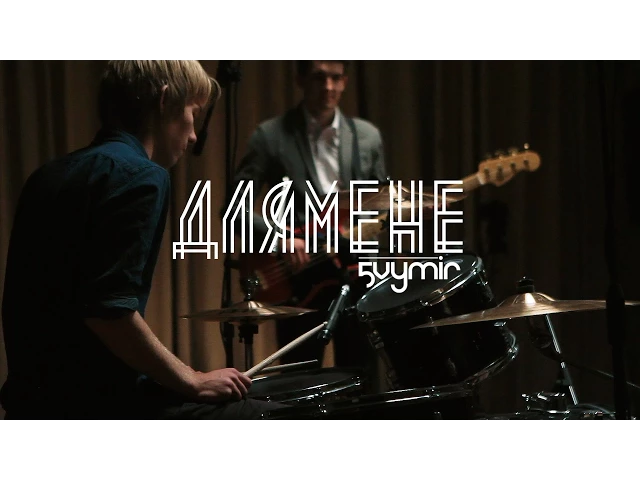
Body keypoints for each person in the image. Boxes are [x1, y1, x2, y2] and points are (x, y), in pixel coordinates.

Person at [0, 60, 289, 420]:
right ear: (165, 101)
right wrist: (193, 379)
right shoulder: (142, 176)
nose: (194, 136)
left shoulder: (47, 175)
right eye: (193, 113)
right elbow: (108, 310)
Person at [225, 60, 389, 373]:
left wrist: (407, 211)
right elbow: (235, 208)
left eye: (336, 78)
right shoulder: (270, 136)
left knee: (362, 382)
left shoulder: (368, 137)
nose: (328, 87)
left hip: (356, 277)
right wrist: (280, 238)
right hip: (299, 279)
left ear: (345, 81)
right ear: (300, 79)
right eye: (318, 77)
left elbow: (383, 205)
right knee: (298, 382)